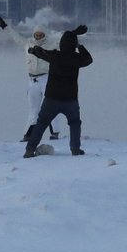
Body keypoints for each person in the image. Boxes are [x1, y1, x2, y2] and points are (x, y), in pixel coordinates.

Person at [22, 24, 92, 158]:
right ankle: (75, 149)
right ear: (74, 45)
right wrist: (79, 45)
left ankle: (30, 150)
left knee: (41, 123)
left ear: (61, 44)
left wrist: (32, 50)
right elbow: (89, 59)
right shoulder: (77, 58)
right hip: (70, 99)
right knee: (75, 123)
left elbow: (39, 51)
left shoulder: (54, 55)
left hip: (51, 99)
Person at [0, 17, 61, 141]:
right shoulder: (28, 43)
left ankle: (55, 132)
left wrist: (76, 35)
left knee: (51, 106)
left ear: (45, 35)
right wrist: (5, 27)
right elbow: (15, 37)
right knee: (33, 109)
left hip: (47, 79)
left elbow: (66, 39)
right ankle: (28, 135)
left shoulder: (52, 44)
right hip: (32, 81)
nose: (38, 37)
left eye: (41, 35)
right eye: (36, 34)